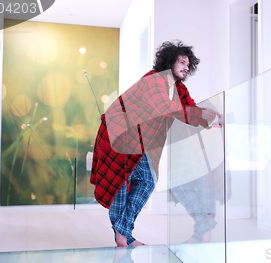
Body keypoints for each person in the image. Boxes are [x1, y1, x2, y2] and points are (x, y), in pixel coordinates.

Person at [90, 40, 220, 246]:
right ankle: (124, 237)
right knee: (119, 186)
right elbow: (164, 107)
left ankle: (122, 232)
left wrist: (209, 119)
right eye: (182, 62)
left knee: (147, 181)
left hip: (141, 143)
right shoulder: (153, 80)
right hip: (119, 136)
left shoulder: (179, 89)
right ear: (169, 61)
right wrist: (203, 114)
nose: (186, 67)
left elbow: (189, 111)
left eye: (188, 64)